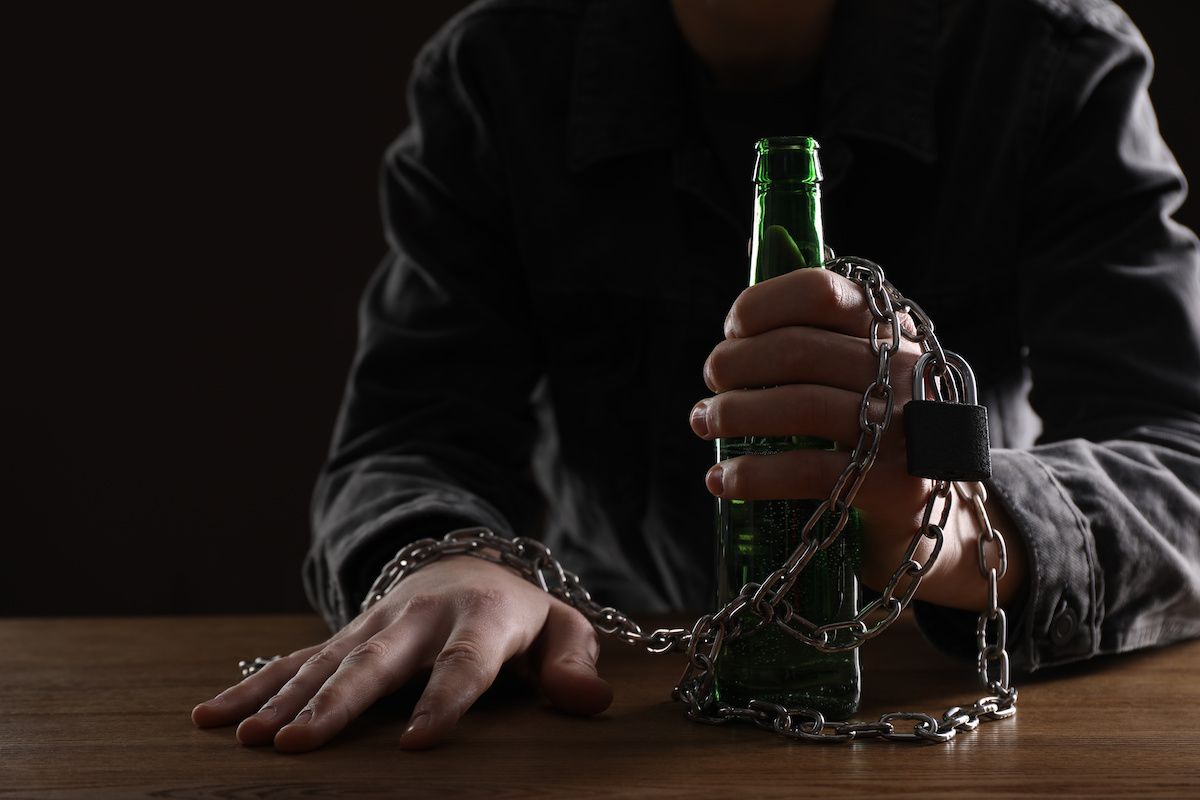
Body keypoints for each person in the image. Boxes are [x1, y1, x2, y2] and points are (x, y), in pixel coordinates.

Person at [192, 0, 1200, 752]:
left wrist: (960, 507)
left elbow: (1184, 450)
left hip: (928, 666)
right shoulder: (497, 70)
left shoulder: (1048, 54)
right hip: (598, 686)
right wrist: (445, 556)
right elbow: (405, 433)